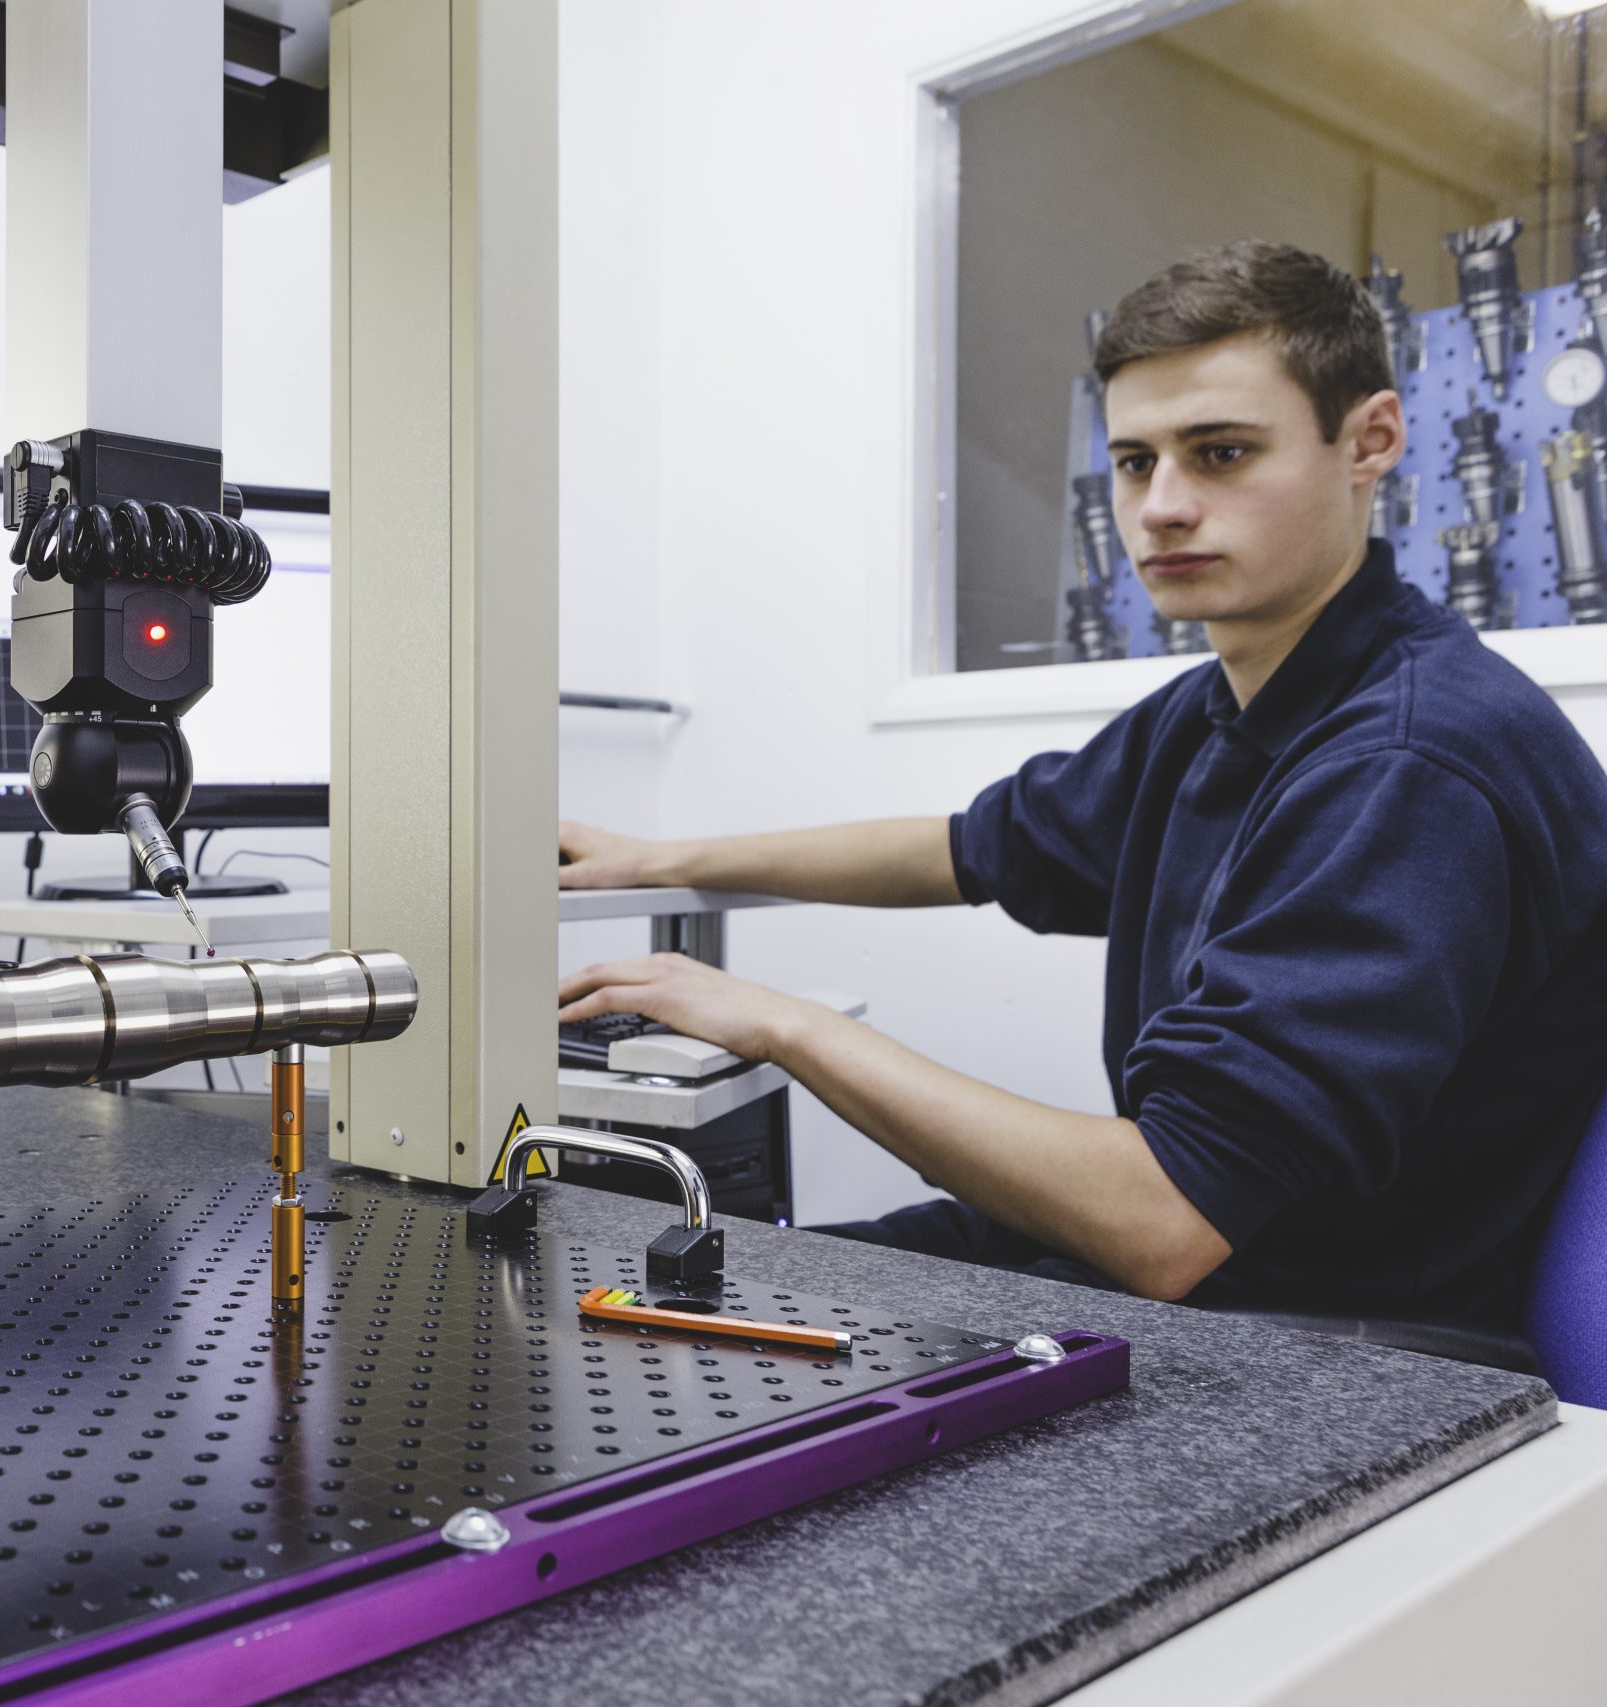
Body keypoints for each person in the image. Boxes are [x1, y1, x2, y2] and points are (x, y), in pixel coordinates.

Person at [558, 239, 1607, 1322]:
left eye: (1221, 452)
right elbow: (966, 847)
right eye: (1134, 461)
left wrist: (781, 1024)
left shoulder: (1406, 764)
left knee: (707, 1350)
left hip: (1325, 1337)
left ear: (1369, 442)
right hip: (1203, 1271)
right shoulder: (1227, 709)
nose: (1158, 506)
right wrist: (663, 859)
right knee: (658, 1289)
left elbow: (1163, 1218)